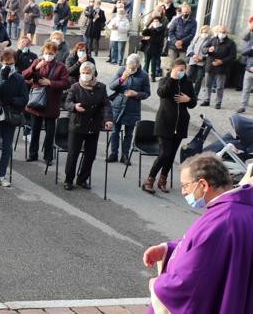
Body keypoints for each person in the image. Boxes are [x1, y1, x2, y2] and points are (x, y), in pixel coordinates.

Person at [142, 153, 253, 313]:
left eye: (185, 185)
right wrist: (168, 249)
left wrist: (159, 287)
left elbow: (191, 282)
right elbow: (213, 251)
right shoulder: (242, 208)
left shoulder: (221, 220)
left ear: (203, 184)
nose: (183, 192)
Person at [144, 59, 196, 194]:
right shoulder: (165, 80)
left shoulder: (188, 83)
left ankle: (163, 180)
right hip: (165, 123)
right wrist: (172, 79)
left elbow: (193, 103)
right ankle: (149, 180)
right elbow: (162, 93)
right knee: (164, 153)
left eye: (183, 70)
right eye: (178, 69)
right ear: (172, 69)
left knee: (171, 155)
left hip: (180, 124)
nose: (181, 72)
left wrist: (188, 99)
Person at [61, 62, 113, 190]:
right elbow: (66, 103)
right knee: (73, 154)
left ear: (93, 74)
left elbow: (106, 105)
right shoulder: (75, 87)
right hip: (77, 125)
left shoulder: (101, 87)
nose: (85, 75)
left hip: (93, 125)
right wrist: (74, 107)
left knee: (90, 155)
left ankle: (82, 179)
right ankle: (68, 179)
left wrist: (108, 119)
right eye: (83, 73)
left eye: (88, 73)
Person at [0, 49, 29, 187]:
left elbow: (24, 98)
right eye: (6, 64)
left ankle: (2, 174)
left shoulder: (19, 78)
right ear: (2, 63)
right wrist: (3, 79)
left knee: (7, 147)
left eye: (11, 64)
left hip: (11, 115)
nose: (9, 66)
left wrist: (13, 101)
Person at [22, 42, 70, 166]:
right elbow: (24, 75)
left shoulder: (61, 66)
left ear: (56, 54)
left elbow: (66, 83)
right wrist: (35, 67)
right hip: (37, 102)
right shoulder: (38, 61)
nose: (48, 56)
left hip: (52, 103)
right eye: (46, 53)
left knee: (50, 132)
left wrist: (51, 83)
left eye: (51, 54)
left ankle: (48, 156)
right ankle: (33, 154)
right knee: (35, 130)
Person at [107, 54, 150, 165]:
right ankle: (113, 153)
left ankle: (125, 155)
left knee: (129, 133)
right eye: (128, 67)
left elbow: (147, 93)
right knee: (115, 131)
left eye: (133, 68)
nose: (130, 70)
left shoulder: (144, 75)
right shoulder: (122, 70)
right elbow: (111, 86)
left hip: (132, 106)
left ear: (138, 65)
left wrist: (136, 94)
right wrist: (122, 79)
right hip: (118, 104)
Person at [199, 25, 236, 109]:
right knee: (207, 84)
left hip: (222, 68)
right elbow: (203, 49)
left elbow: (232, 56)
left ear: (226, 33)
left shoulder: (231, 43)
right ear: (217, 32)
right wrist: (208, 50)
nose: (222, 34)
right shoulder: (212, 40)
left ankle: (218, 102)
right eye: (220, 32)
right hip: (210, 65)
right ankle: (206, 100)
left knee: (220, 86)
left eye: (224, 32)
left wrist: (221, 61)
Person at [185, 25, 213, 97]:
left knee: (199, 79)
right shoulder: (196, 38)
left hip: (202, 62)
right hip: (193, 60)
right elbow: (190, 47)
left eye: (206, 32)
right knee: (189, 77)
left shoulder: (210, 40)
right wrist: (193, 55)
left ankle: (195, 95)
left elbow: (210, 52)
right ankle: (186, 92)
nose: (204, 33)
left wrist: (202, 58)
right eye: (202, 32)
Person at [140, 16, 167, 81]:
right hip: (147, 48)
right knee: (146, 63)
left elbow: (158, 40)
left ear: (160, 22)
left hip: (156, 49)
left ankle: (153, 76)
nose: (155, 22)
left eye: (157, 21)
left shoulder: (161, 29)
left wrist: (150, 38)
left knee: (153, 63)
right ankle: (145, 77)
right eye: (154, 21)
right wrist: (148, 27)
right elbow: (144, 33)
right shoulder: (151, 29)